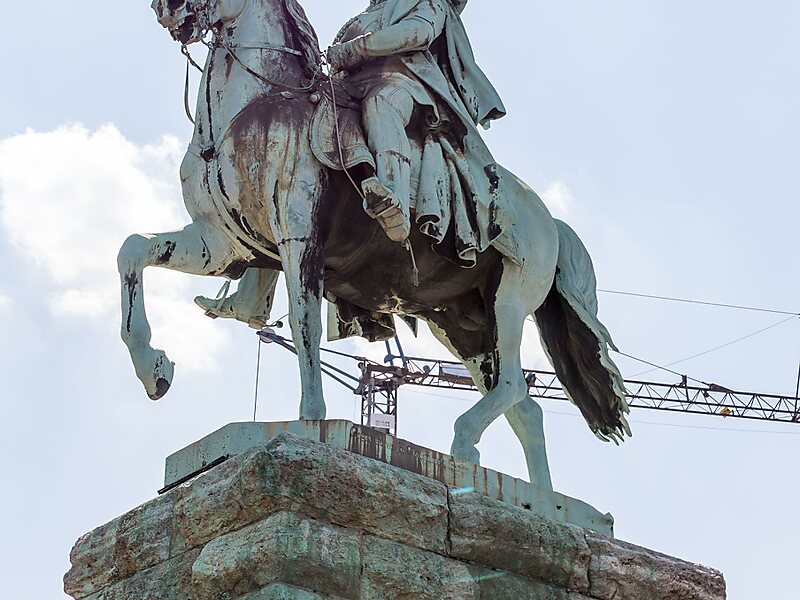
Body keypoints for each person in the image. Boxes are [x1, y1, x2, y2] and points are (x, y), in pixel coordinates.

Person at [325, 0, 506, 245]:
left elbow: (418, 32)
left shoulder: (432, 3)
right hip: (348, 88)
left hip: (401, 83)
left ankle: (393, 200)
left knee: (381, 104)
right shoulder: (369, 12)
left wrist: (356, 48)